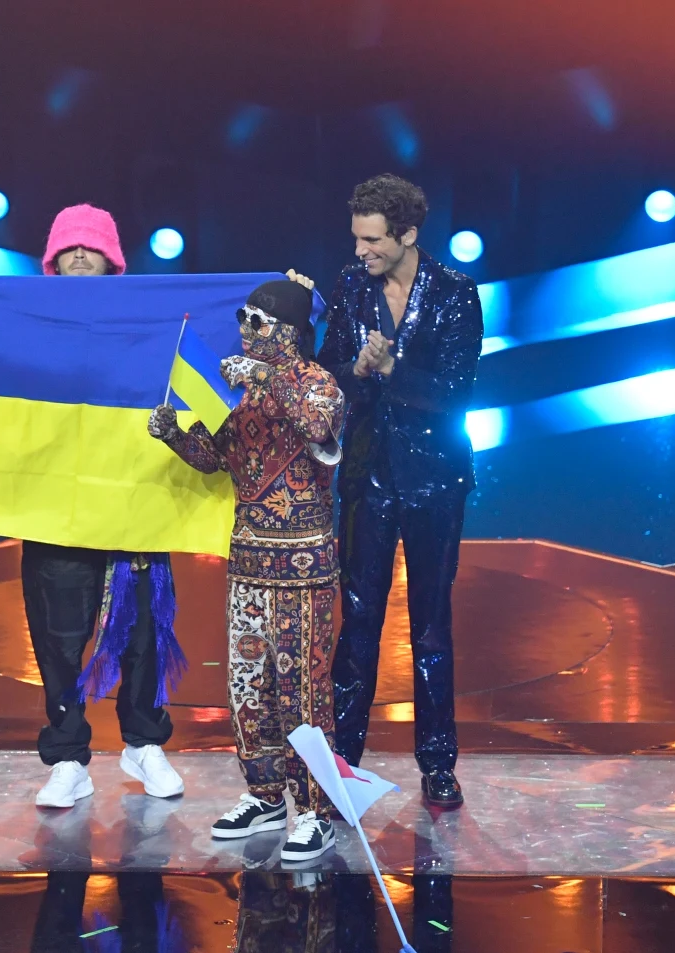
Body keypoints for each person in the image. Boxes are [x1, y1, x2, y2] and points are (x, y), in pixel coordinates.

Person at [0, 204, 186, 810]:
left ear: (113, 260)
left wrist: (279, 294)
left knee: (143, 633)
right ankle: (68, 756)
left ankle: (144, 743)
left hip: (133, 500)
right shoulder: (25, 318)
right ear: (51, 260)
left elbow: (214, 324)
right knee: (59, 636)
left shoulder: (144, 315)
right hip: (51, 505)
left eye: (91, 246)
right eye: (69, 247)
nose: (80, 254)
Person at [148, 279, 345, 863]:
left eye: (257, 322)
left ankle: (316, 810)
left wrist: (264, 376)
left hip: (304, 569)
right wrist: (174, 435)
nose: (245, 331)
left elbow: (317, 428)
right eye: (243, 318)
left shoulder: (317, 383)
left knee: (302, 692)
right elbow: (215, 459)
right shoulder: (238, 390)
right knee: (248, 687)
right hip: (249, 563)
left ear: (289, 331)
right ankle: (265, 796)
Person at [312, 174, 484, 808]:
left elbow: (457, 393)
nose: (361, 251)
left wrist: (392, 368)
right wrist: (356, 370)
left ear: (407, 234)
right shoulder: (351, 286)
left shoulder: (455, 293)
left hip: (435, 477)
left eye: (373, 240)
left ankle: (438, 764)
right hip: (367, 475)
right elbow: (327, 372)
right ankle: (342, 762)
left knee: (430, 624)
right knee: (358, 619)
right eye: (357, 238)